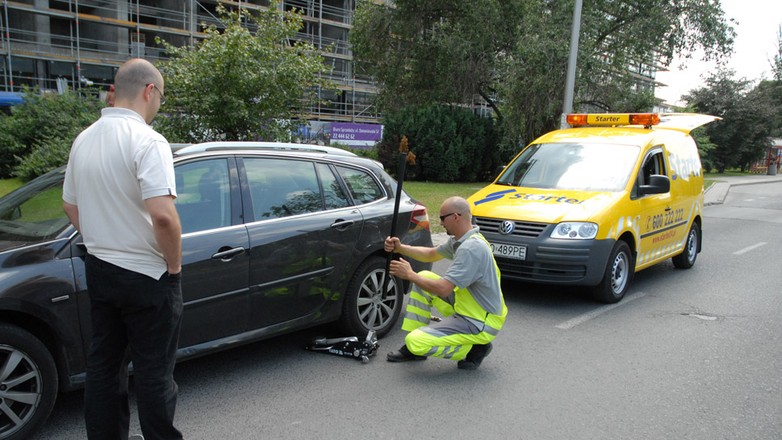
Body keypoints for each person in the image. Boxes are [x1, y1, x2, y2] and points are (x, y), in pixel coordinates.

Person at [63, 58, 183, 440]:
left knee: (104, 367)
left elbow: (69, 205)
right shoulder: (148, 140)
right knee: (154, 372)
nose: (159, 104)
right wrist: (174, 268)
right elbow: (163, 217)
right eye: (161, 96)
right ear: (150, 91)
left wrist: (102, 237)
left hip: (100, 268)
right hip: (147, 275)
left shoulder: (84, 139)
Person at [384, 196, 507, 370]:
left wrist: (410, 275)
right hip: (471, 307)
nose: (440, 223)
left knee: (416, 342)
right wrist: (401, 248)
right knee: (425, 276)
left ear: (456, 217)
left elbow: (443, 289)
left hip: (479, 321)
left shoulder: (471, 249)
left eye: (442, 218)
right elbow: (431, 254)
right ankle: (413, 352)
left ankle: (475, 347)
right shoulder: (462, 240)